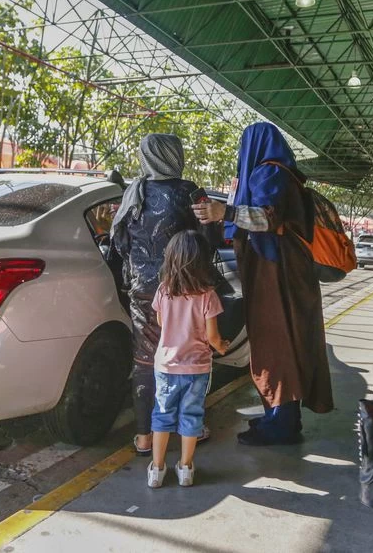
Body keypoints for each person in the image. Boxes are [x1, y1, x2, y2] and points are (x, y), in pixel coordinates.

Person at [192, 122, 334, 446]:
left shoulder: (270, 174)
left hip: (277, 277)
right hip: (285, 275)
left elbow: (267, 218)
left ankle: (281, 425)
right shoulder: (283, 175)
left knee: (277, 345)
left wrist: (224, 212)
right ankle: (281, 417)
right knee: (283, 344)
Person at [111, 134, 203, 457]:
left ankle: (144, 437)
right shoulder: (190, 191)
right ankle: (189, 426)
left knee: (145, 358)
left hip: (142, 291)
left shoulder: (133, 192)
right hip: (182, 290)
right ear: (174, 156)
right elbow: (207, 237)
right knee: (187, 355)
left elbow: (120, 243)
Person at [146, 231, 230, 488]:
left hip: (166, 365)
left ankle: (157, 469)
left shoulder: (164, 290)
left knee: (162, 414)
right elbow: (212, 335)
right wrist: (222, 347)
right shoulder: (208, 295)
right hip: (197, 367)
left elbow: (161, 322)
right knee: (191, 416)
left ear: (170, 258)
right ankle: (185, 468)